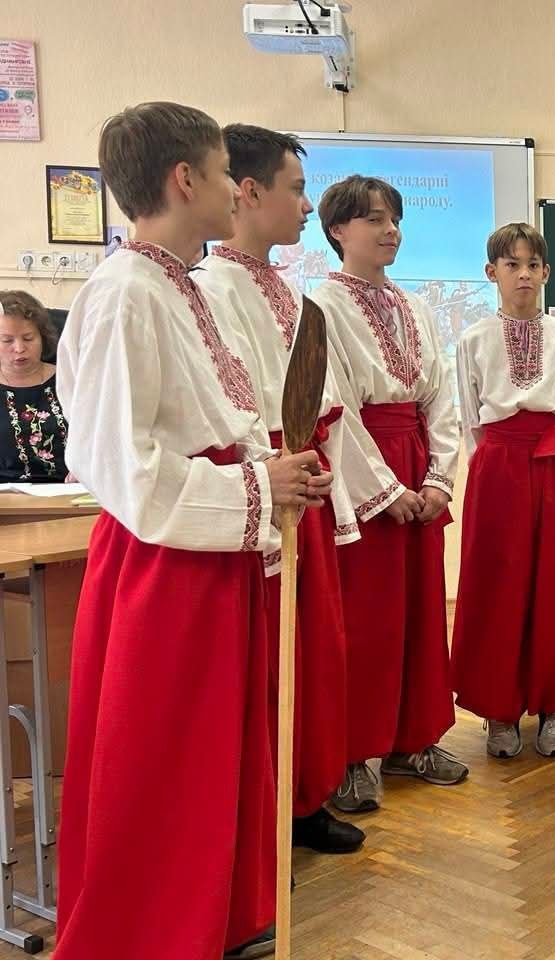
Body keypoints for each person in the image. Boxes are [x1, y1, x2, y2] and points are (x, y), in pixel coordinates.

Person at [56, 101, 327, 960]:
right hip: (166, 565)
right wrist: (256, 486)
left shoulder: (175, 284)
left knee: (214, 752)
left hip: (212, 553)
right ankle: (154, 933)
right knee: (162, 757)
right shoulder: (124, 295)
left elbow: (213, 419)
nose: (231, 191)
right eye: (219, 175)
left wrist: (275, 474)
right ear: (184, 181)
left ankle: (215, 916)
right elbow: (122, 466)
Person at [196, 123, 375, 855]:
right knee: (265, 661)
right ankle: (261, 819)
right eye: (296, 190)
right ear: (249, 191)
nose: (307, 207)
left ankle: (304, 797)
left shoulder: (291, 293)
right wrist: (271, 471)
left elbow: (321, 399)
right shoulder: (209, 289)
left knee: (313, 652)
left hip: (302, 482)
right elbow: (227, 403)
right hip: (260, 491)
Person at [311, 174, 466, 814]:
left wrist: (437, 479)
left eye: (394, 218)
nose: (390, 230)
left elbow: (442, 398)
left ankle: (413, 740)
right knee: (367, 619)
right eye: (373, 219)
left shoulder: (416, 306)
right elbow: (334, 409)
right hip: (363, 473)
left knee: (421, 612)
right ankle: (355, 754)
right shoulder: (320, 307)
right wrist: (385, 490)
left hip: (415, 459)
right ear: (337, 231)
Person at [451, 222, 555, 759]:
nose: (523, 274)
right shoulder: (473, 339)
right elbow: (471, 418)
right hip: (498, 467)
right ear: (491, 272)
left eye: (533, 265)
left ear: (546, 272)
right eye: (512, 265)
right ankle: (499, 708)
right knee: (498, 584)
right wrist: (491, 469)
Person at [0, 290, 68, 482]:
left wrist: (87, 469)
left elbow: (100, 437)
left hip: (70, 490)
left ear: (43, 337)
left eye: (28, 338)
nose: (19, 348)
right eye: (7, 340)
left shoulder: (70, 380)